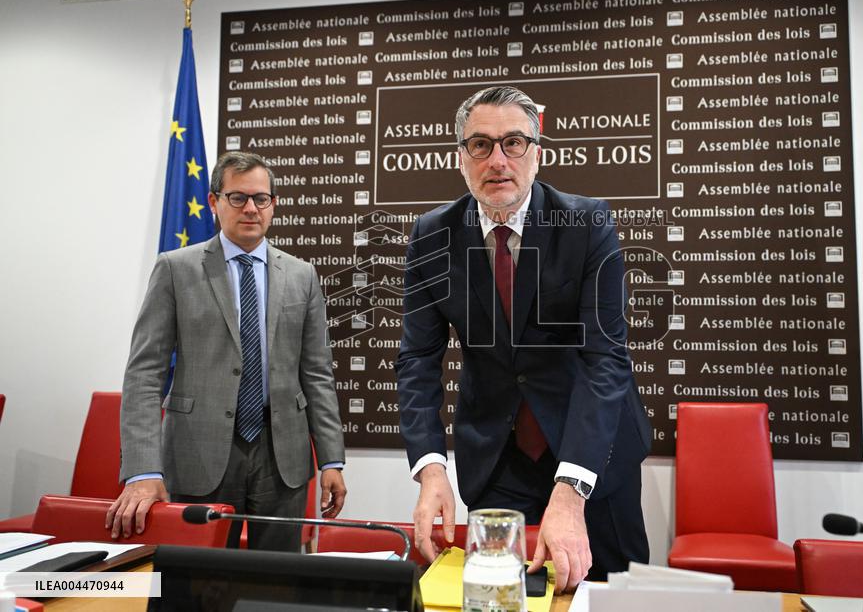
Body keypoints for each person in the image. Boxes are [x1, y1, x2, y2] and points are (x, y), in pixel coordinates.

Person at [396, 86, 652, 592]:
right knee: (496, 599)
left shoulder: (586, 222)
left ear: (538, 151)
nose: (498, 160)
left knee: (609, 596)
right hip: (497, 458)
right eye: (480, 145)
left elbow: (605, 361)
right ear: (461, 157)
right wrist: (429, 469)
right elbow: (418, 362)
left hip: (592, 453)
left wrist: (573, 489)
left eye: (514, 142)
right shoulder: (432, 235)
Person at [107, 151, 346, 551]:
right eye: (238, 198)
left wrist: (331, 460)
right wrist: (142, 469)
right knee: (197, 584)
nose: (251, 208)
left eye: (261, 198)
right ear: (214, 202)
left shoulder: (302, 276)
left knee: (276, 583)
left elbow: (317, 373)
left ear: (273, 205)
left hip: (282, 457)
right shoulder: (176, 269)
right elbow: (144, 373)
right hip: (197, 453)